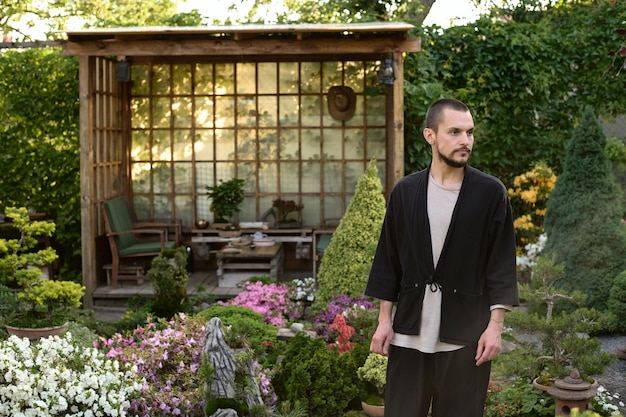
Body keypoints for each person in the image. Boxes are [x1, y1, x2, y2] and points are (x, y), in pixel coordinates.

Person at [365, 98, 519, 417]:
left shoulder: (491, 193)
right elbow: (388, 260)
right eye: (455, 132)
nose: (465, 141)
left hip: (465, 335)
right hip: (408, 332)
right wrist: (383, 321)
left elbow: (501, 265)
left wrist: (495, 327)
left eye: (470, 132)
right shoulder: (405, 191)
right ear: (430, 136)